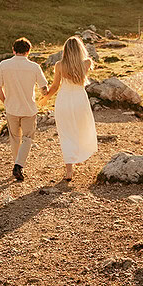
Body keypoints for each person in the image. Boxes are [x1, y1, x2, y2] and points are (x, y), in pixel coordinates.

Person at [0, 37, 49, 181]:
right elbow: (44, 88)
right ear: (29, 51)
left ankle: (16, 164)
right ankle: (19, 165)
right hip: (29, 109)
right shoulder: (34, 67)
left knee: (14, 138)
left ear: (13, 50)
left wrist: (6, 102)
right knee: (27, 138)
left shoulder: (4, 65)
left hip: (11, 108)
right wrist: (45, 95)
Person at [45, 35, 97, 181]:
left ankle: (69, 170)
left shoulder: (59, 65)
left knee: (66, 132)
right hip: (80, 98)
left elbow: (55, 86)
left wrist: (45, 97)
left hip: (64, 99)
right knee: (80, 128)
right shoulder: (86, 63)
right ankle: (78, 156)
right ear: (80, 49)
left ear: (66, 50)